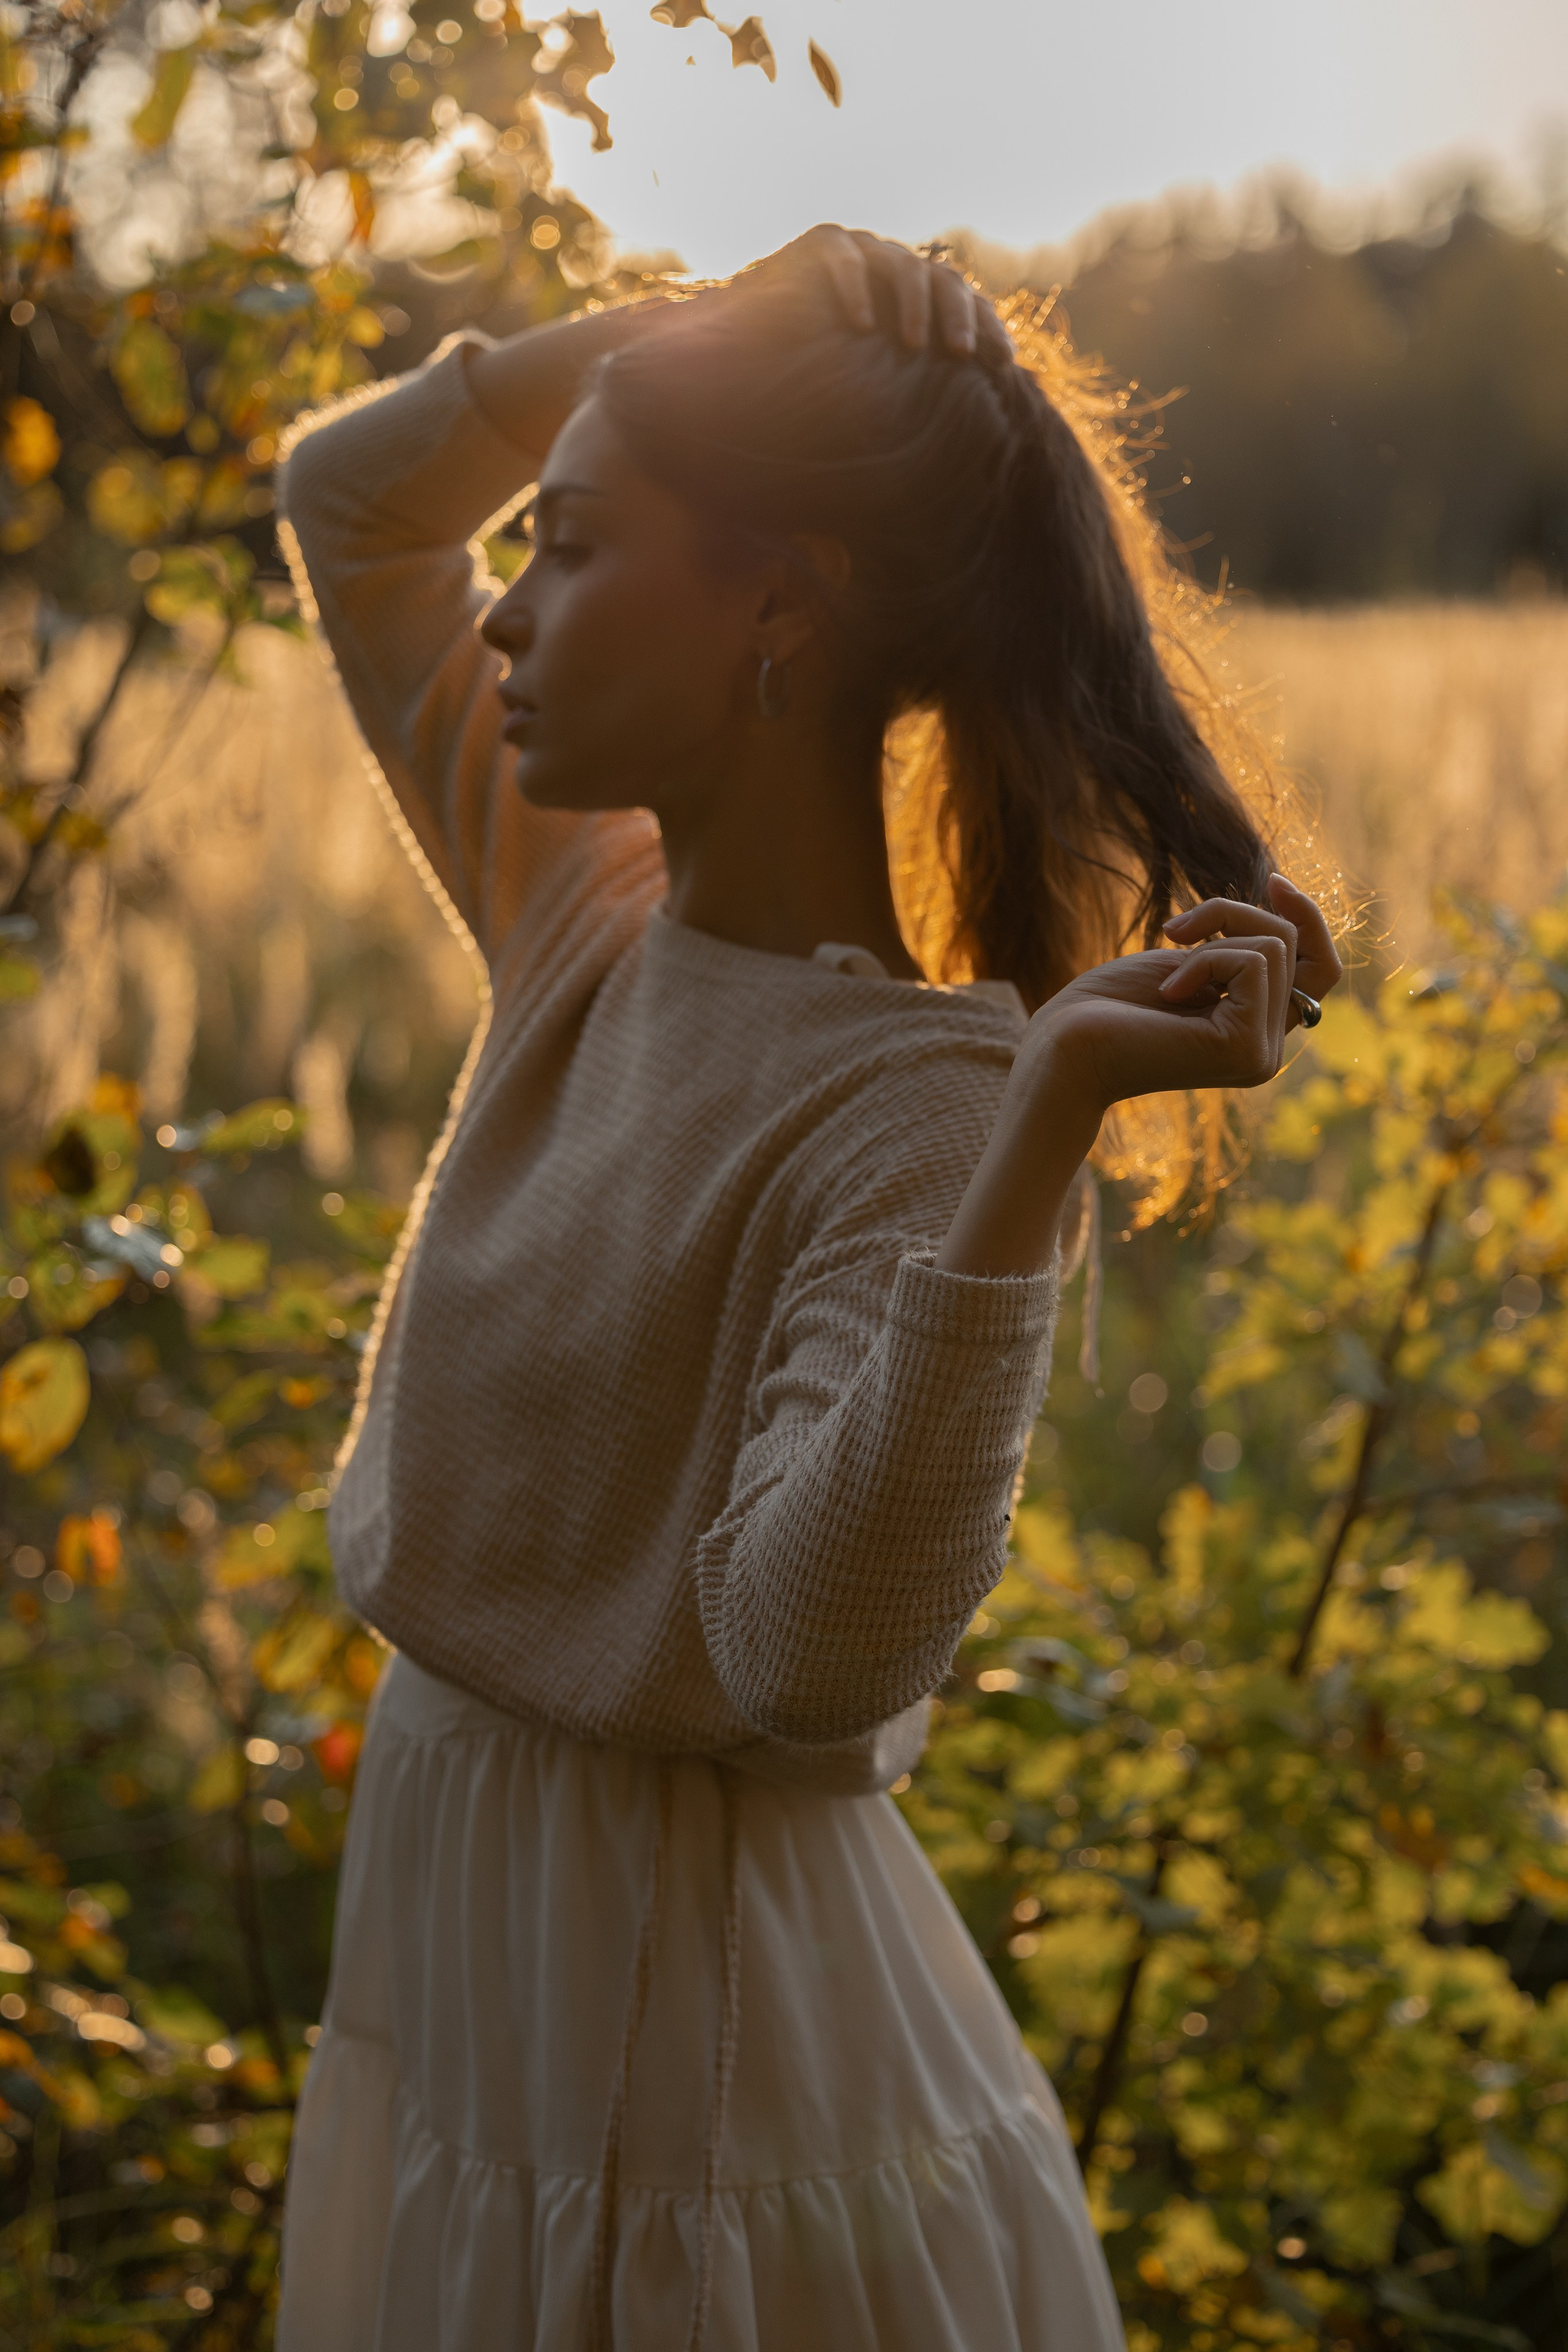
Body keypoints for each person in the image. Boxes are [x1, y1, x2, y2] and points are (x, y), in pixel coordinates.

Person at [273, 226, 1341, 2351]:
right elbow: (344, 495)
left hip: (695, 2044)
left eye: (573, 545)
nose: (502, 598)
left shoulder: (927, 1107)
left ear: (781, 602)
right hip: (462, 1926)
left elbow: (807, 1653)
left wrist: (1042, 1122)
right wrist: (681, 335)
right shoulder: (580, 908)